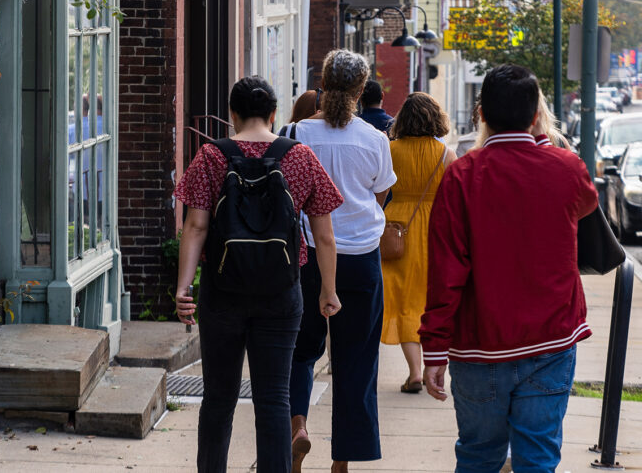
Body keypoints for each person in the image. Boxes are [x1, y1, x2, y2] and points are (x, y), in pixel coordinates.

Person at [420, 64, 598, 473]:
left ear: (481, 114)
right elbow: (586, 205)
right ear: (537, 114)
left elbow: (446, 272)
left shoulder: (462, 176)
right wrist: (541, 141)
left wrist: (433, 350)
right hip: (550, 340)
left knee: (479, 455)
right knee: (537, 458)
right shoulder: (567, 168)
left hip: (479, 346)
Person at [174, 76, 344, 473]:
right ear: (273, 113)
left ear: (233, 115)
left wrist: (184, 288)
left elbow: (195, 227)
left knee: (218, 398)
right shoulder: (299, 156)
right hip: (282, 293)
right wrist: (329, 292)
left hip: (222, 291)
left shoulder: (211, 157)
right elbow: (324, 234)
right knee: (274, 399)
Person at [289, 50, 397, 473]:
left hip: (307, 257)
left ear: (323, 84)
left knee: (299, 351)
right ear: (359, 90)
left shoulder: (297, 132)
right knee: (356, 361)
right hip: (361, 260)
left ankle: (298, 427)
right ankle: (341, 462)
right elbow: (380, 195)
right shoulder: (374, 140)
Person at [380, 93, 456, 394]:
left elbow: (380, 187)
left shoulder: (390, 150)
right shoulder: (445, 154)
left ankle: (413, 371)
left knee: (402, 300)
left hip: (398, 226)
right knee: (429, 299)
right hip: (435, 228)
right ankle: (431, 366)